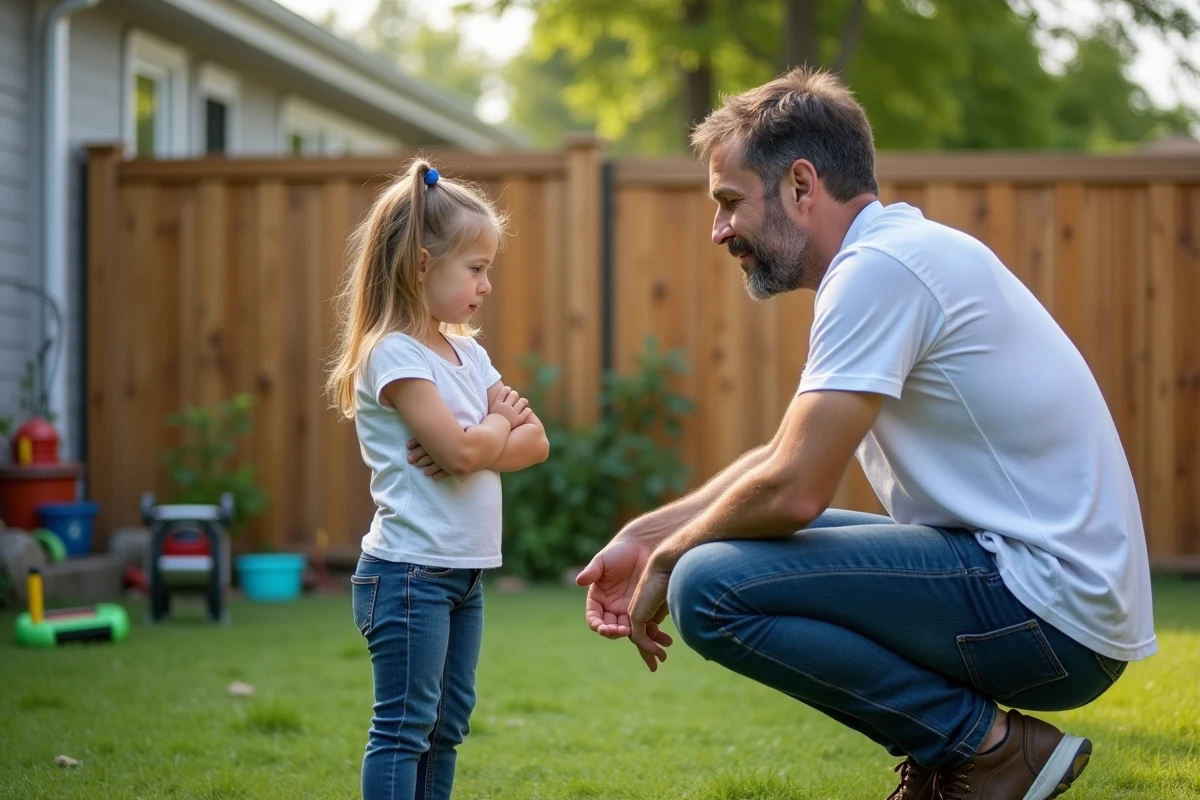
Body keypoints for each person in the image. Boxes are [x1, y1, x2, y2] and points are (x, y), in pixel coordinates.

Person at [577, 67, 1156, 800]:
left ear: (800, 185)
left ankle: (987, 750)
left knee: (707, 584)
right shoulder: (892, 258)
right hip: (1047, 597)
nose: (719, 230)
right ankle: (953, 762)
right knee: (711, 556)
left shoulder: (879, 271)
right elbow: (785, 458)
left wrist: (669, 556)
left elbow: (793, 491)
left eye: (729, 202)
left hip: (1048, 610)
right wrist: (647, 532)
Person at [326, 159, 550, 800]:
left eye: (488, 270)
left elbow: (535, 443)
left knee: (447, 726)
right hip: (406, 574)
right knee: (404, 728)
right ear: (422, 265)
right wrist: (484, 435)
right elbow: (455, 452)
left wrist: (484, 439)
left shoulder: (468, 352)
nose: (486, 285)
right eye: (475, 269)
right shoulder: (393, 353)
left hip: (461, 573)